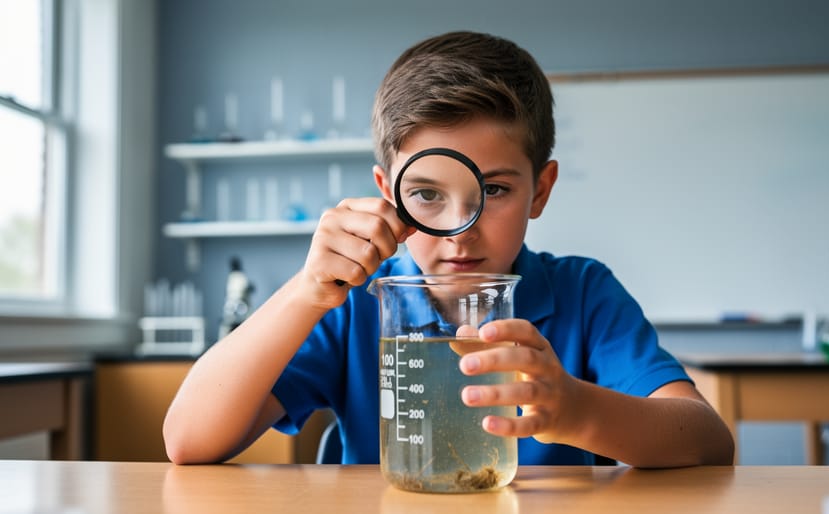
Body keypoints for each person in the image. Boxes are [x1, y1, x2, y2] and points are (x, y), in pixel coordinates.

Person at [163, 31, 734, 467]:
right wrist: (307, 291)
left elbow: (708, 441)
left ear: (541, 190)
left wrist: (576, 409)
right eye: (427, 194)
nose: (461, 230)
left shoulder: (584, 293)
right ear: (388, 193)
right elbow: (188, 441)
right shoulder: (357, 302)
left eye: (495, 190)